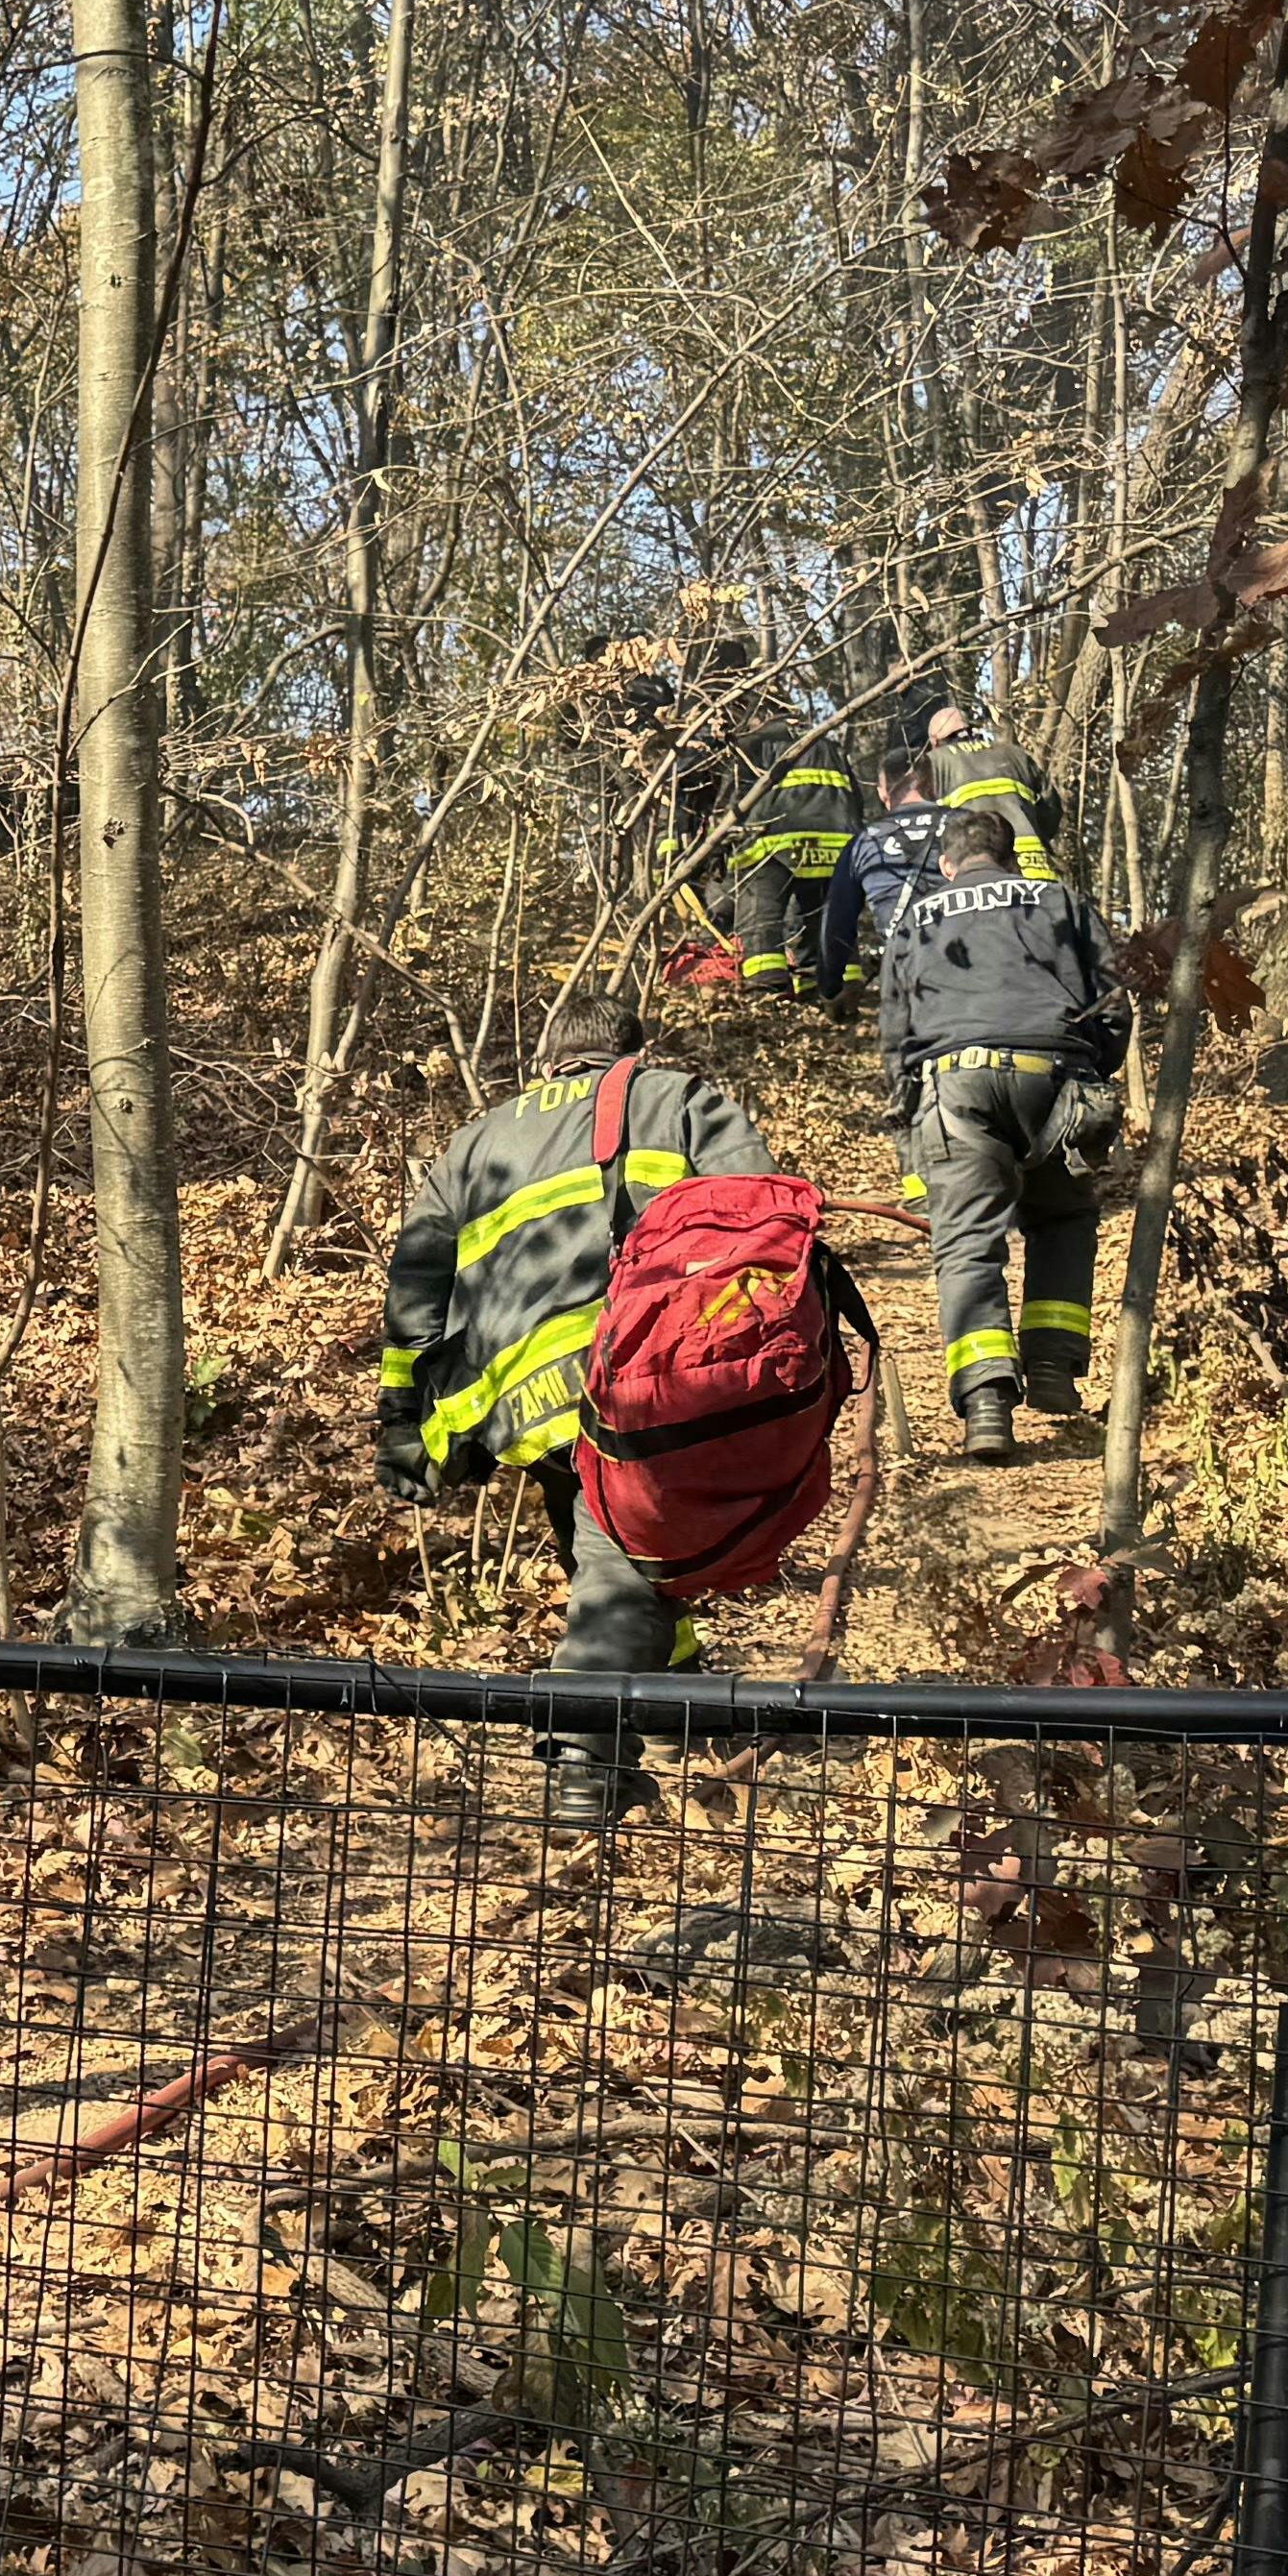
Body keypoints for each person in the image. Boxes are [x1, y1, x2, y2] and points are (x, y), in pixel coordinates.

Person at [376, 990, 774, 1833]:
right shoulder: (675, 1098)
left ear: (548, 1061)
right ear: (634, 1047)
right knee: (620, 1559)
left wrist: (403, 1421)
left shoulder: (474, 1140)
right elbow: (760, 1219)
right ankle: (584, 1754)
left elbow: (415, 1286)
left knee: (603, 1540)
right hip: (635, 1377)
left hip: (521, 1400)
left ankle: (676, 1702)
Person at [881, 805, 1131, 1459]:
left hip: (954, 1084)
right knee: (1064, 1216)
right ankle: (1051, 1365)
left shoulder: (917, 917)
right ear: (1013, 856)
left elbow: (895, 1036)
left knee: (967, 1243)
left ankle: (987, 1406)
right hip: (1055, 1073)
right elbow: (1112, 1001)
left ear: (945, 864)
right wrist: (1092, 1069)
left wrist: (909, 1129)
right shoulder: (1060, 899)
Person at [717, 718, 862, 1002]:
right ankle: (830, 988)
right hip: (834, 847)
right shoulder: (828, 745)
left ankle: (766, 989)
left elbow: (731, 802)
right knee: (823, 919)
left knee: (760, 916)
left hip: (773, 846)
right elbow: (854, 798)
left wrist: (715, 847)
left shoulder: (751, 745)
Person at [922, 701, 1067, 887]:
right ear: (970, 729)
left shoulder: (933, 764)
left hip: (981, 876)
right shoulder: (1015, 754)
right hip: (1037, 871)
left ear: (934, 741)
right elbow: (1052, 809)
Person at [838, 750, 947, 984]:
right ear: (933, 784)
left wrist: (831, 985)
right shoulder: (966, 824)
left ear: (882, 791)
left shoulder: (864, 841)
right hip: (967, 963)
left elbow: (837, 921)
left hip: (904, 968)